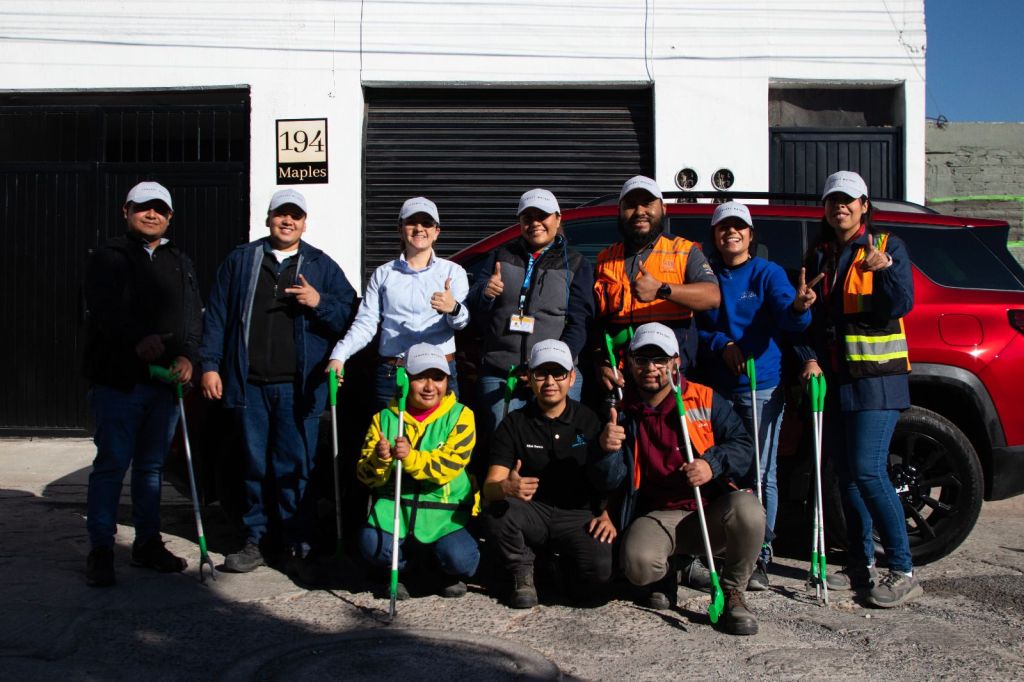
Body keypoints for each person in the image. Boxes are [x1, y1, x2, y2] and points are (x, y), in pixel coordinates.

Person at [199, 188, 356, 576]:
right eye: (280, 215)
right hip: (248, 383)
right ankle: (254, 539)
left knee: (295, 466)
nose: (288, 221)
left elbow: (352, 315)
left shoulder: (321, 265)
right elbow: (217, 314)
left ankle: (296, 540)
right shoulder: (242, 260)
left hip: (297, 387)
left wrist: (319, 301)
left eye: (295, 216)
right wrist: (210, 365)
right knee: (252, 464)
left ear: (305, 222)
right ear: (268, 219)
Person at [796, 170, 920, 608]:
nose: (839, 207)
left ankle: (902, 569)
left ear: (864, 205)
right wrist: (803, 313)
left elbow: (902, 302)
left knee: (868, 472)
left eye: (848, 200)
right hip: (839, 378)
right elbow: (817, 321)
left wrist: (884, 271)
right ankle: (860, 563)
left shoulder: (886, 247)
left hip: (879, 381)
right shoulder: (823, 254)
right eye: (832, 201)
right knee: (847, 476)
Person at [596, 323, 763, 635]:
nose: (650, 368)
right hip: (660, 513)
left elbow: (743, 447)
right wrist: (607, 450)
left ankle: (732, 592)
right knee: (638, 565)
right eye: (642, 359)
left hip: (709, 511)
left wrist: (711, 464)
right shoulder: (622, 410)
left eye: (659, 360)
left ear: (675, 362)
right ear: (630, 363)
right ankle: (671, 570)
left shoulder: (705, 398)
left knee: (749, 510)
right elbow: (609, 479)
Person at [82, 181, 203, 587]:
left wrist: (189, 356)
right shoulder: (108, 258)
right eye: (143, 208)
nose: (151, 215)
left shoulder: (179, 261)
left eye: (159, 209)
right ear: (126, 211)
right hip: (119, 383)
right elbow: (103, 310)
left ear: (170, 216)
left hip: (164, 385)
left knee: (151, 469)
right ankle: (101, 548)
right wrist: (137, 338)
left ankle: (147, 543)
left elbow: (190, 318)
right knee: (112, 465)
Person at [697, 201, 817, 590]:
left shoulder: (767, 273)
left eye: (739, 227)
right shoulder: (706, 274)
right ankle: (719, 547)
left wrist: (800, 306)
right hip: (715, 389)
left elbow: (789, 315)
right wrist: (721, 343)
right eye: (723, 227)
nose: (731, 232)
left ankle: (759, 555)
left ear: (750, 235)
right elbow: (694, 326)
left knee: (761, 472)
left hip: (760, 386)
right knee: (716, 467)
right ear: (715, 235)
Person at [482, 340, 619, 608]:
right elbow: (489, 487)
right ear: (529, 378)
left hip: (578, 513)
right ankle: (522, 571)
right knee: (499, 511)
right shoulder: (514, 423)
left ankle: (554, 566)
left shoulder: (589, 420)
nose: (549, 382)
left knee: (595, 583)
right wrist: (506, 488)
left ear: (571, 377)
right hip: (533, 510)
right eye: (541, 373)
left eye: (558, 373)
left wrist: (607, 511)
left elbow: (610, 477)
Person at [467, 189, 594, 435]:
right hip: (503, 373)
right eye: (528, 217)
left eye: (542, 216)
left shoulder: (577, 264)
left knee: (558, 444)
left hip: (554, 376)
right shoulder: (500, 256)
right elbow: (475, 305)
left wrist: (548, 367)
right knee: (504, 444)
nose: (535, 223)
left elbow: (580, 324)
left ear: (557, 219)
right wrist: (485, 292)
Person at [357, 343, 479, 598]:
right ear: (405, 379)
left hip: (444, 515)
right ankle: (403, 569)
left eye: (438, 378)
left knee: (461, 559)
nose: (429, 386)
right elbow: (365, 475)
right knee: (372, 545)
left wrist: (410, 457)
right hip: (396, 510)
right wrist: (381, 460)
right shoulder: (384, 419)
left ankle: (441, 570)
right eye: (420, 377)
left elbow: (447, 466)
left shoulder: (462, 416)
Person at [327, 197, 469, 409]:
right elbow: (365, 324)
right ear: (400, 228)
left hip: (438, 372)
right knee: (388, 441)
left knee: (438, 442)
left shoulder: (453, 272)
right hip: (393, 373)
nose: (419, 228)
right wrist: (339, 355)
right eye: (412, 222)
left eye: (427, 223)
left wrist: (454, 308)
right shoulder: (383, 274)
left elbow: (462, 323)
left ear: (436, 232)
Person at [594, 175, 720, 395]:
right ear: (620, 211)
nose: (640, 211)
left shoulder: (684, 250)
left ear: (663, 208)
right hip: (622, 380)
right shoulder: (605, 258)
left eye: (647, 203)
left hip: (669, 378)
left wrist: (662, 289)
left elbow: (712, 296)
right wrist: (601, 362)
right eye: (631, 205)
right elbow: (594, 322)